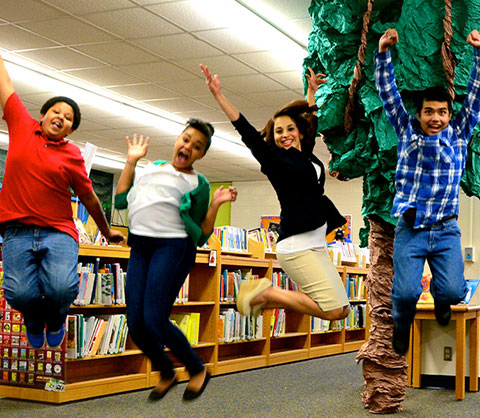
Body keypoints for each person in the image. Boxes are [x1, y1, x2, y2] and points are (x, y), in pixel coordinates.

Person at [200, 64, 350, 322]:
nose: (285, 135)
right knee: (333, 310)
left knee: (343, 309)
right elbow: (247, 132)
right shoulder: (275, 162)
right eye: (278, 131)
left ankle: (267, 298)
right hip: (297, 245)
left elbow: (311, 122)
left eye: (290, 129)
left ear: (299, 132)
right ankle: (270, 294)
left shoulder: (306, 156)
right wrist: (218, 96)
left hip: (315, 244)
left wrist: (311, 93)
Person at [374, 28, 480, 355]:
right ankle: (401, 323)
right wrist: (383, 53)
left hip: (446, 230)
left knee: (454, 291)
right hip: (411, 228)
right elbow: (388, 94)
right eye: (429, 112)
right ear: (420, 114)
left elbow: (478, 97)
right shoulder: (407, 132)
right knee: (406, 293)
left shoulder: (460, 135)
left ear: (449, 115)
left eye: (441, 112)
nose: (435, 118)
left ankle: (443, 300)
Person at [0, 53, 125, 350]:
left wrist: (107, 232)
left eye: (68, 119)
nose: (61, 118)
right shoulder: (21, 124)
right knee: (17, 294)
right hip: (15, 230)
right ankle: (34, 318)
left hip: (57, 231)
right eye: (56, 112)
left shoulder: (72, 156)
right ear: (43, 115)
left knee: (61, 288)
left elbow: (89, 197)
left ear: (70, 130)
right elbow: (4, 84)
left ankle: (56, 318)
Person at [114, 122, 237, 401]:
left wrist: (215, 204)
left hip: (174, 247)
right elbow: (121, 198)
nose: (188, 147)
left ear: (201, 155)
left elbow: (203, 233)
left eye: (197, 146)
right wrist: (131, 161)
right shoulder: (153, 168)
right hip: (141, 246)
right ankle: (166, 371)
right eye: (186, 139)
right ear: (177, 140)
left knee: (155, 319)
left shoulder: (198, 183)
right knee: (135, 322)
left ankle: (197, 369)